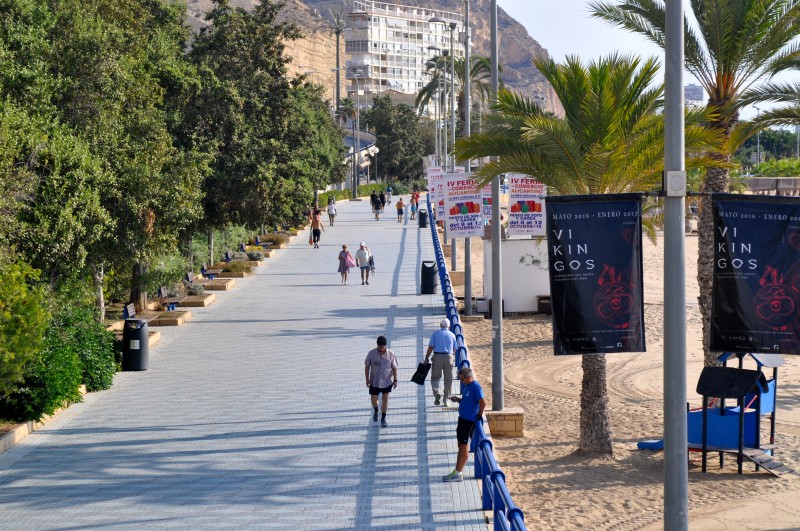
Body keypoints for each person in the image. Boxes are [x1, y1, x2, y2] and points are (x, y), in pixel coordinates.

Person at [442, 367, 486, 482]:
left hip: (468, 421)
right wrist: (458, 400)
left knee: (463, 447)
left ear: (469, 377)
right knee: (461, 445)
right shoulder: (467, 386)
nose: (461, 381)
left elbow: (483, 402)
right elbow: (468, 401)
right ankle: (457, 471)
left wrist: (479, 416)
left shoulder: (476, 387)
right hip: (462, 419)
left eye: (462, 379)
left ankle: (457, 473)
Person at [364, 335, 398, 427]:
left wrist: (395, 380)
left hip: (386, 381)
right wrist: (367, 379)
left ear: (385, 345)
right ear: (377, 345)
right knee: (374, 400)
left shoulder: (391, 354)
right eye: (380, 346)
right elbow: (367, 366)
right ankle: (376, 409)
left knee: (385, 400)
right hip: (374, 381)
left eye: (383, 346)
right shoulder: (371, 353)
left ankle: (383, 418)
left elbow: (394, 368)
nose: (381, 348)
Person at [424, 318, 457, 407]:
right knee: (448, 379)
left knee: (435, 378)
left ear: (440, 325)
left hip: (437, 356)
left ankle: (437, 393)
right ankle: (446, 399)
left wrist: (426, 358)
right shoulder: (452, 335)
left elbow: (430, 347)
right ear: (449, 326)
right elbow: (455, 348)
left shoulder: (436, 333)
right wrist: (452, 356)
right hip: (448, 357)